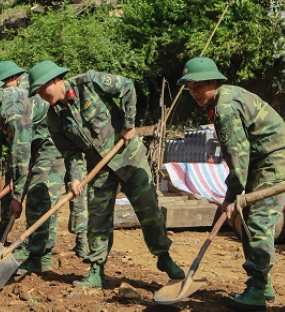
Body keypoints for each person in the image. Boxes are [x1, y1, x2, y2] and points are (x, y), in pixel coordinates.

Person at [30, 60, 184, 288]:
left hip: (129, 157)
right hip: (98, 167)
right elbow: (70, 152)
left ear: (55, 80)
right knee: (98, 219)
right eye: (39, 93)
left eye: (44, 89)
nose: (42, 95)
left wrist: (129, 124)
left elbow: (128, 87)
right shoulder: (54, 118)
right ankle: (96, 270)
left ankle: (164, 257)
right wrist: (74, 177)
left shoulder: (89, 82)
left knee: (149, 210)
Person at [178, 57, 285, 312]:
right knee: (246, 221)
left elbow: (237, 156)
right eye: (190, 87)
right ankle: (261, 286)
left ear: (212, 81)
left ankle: (257, 289)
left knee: (257, 223)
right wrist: (233, 197)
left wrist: (231, 195)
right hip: (261, 163)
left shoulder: (226, 108)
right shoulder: (223, 100)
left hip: (273, 163)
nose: (195, 92)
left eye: (198, 85)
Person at [0, 61, 89, 258]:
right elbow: (15, 145)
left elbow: (21, 145)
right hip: (41, 144)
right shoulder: (12, 97)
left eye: (3, 85)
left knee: (48, 192)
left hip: (54, 144)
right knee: (47, 192)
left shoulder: (24, 93)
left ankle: (58, 249)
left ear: (11, 79)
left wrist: (19, 192)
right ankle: (41, 251)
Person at [0, 72, 59, 275]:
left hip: (50, 141)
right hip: (31, 142)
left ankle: (40, 256)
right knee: (21, 189)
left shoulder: (12, 109)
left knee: (38, 194)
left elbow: (21, 154)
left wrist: (18, 196)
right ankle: (36, 254)